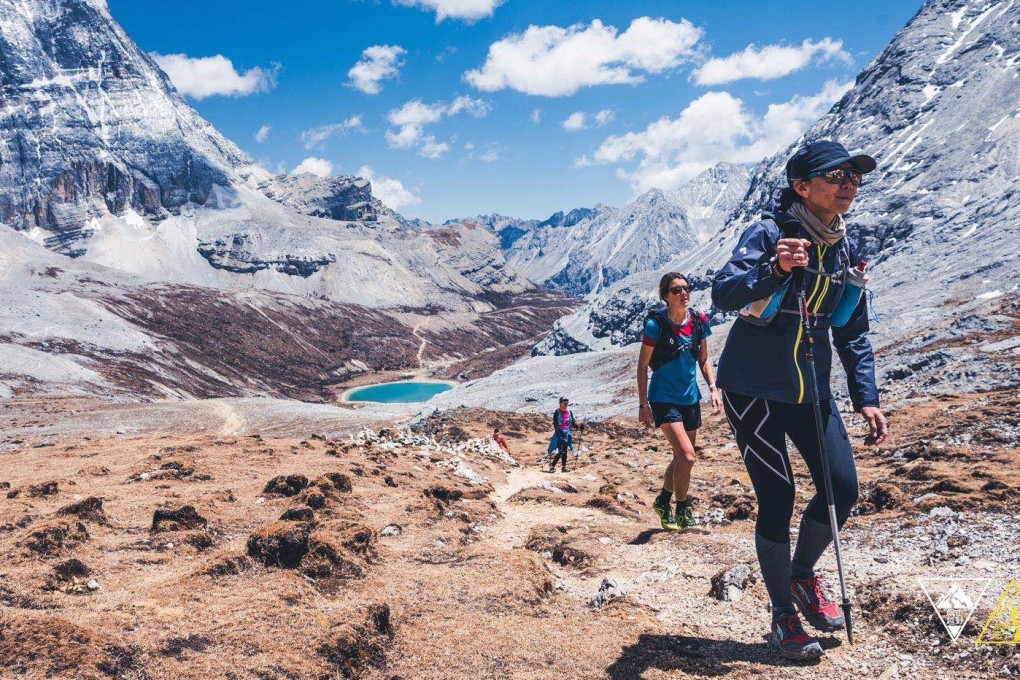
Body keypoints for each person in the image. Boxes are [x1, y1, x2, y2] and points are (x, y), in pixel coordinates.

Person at [711, 140, 889, 661]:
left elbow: (852, 330)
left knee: (842, 486)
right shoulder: (769, 234)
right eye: (837, 176)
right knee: (778, 495)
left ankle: (803, 573)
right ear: (801, 185)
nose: (848, 185)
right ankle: (783, 616)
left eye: (855, 178)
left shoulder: (844, 251)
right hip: (753, 390)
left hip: (812, 391)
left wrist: (867, 398)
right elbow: (724, 293)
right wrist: (776, 270)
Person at [637, 273, 722, 531]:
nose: (684, 293)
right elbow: (642, 366)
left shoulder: (698, 321)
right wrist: (643, 404)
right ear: (665, 296)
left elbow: (704, 358)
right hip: (663, 398)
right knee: (687, 456)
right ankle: (683, 508)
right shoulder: (656, 326)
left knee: (681, 458)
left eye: (686, 288)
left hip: (690, 397)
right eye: (676, 290)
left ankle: (663, 501)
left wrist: (713, 388)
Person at [549, 397, 575, 472]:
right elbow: (555, 425)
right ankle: (552, 466)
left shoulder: (569, 412)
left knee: (565, 451)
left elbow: (573, 423)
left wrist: (579, 427)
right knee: (561, 451)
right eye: (564, 403)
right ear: (560, 403)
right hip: (559, 433)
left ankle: (564, 467)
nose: (566, 404)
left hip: (567, 433)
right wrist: (559, 436)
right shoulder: (557, 412)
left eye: (567, 402)